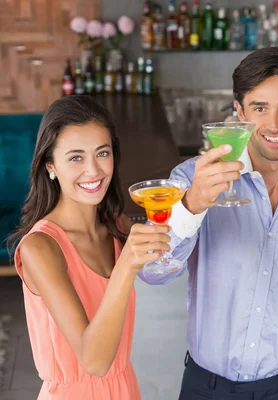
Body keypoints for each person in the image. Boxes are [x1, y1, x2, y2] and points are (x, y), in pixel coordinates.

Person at [138, 47, 278, 400]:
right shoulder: (193, 178)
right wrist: (191, 207)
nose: (275, 124)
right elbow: (152, 272)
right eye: (260, 108)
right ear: (239, 112)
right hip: (207, 387)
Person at [9, 95, 170, 399]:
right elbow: (94, 361)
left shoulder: (114, 225)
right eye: (76, 157)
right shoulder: (40, 248)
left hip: (124, 388)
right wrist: (125, 268)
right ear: (50, 166)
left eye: (102, 153)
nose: (94, 170)